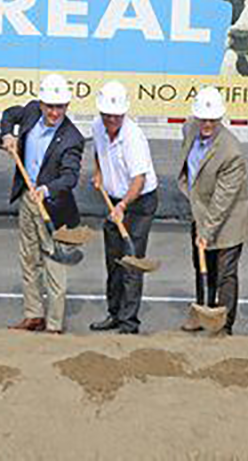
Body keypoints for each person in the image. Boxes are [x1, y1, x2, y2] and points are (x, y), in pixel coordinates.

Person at [0, 74, 85, 335]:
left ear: (67, 106)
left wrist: (47, 189)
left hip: (54, 207)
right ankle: (33, 315)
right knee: (29, 259)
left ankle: (55, 325)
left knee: (54, 264)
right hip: (28, 199)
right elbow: (7, 114)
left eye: (60, 107)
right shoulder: (29, 113)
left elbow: (69, 177)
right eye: (50, 106)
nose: (54, 112)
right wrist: (7, 135)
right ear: (41, 103)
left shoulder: (72, 138)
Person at [178, 87, 248, 336]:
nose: (207, 124)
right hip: (201, 210)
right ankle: (202, 313)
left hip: (230, 217)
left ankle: (224, 323)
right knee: (202, 265)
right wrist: (200, 225)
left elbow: (223, 201)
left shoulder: (231, 152)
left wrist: (206, 231)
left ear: (220, 118)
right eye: (203, 119)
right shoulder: (190, 127)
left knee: (225, 273)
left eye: (213, 120)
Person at [89, 81, 158, 335]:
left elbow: (139, 180)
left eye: (116, 116)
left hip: (139, 202)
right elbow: (98, 150)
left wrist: (124, 205)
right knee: (114, 260)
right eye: (107, 115)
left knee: (130, 260)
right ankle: (114, 313)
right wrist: (98, 172)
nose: (111, 120)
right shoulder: (97, 126)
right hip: (114, 197)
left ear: (124, 113)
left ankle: (129, 322)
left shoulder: (133, 137)